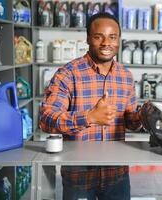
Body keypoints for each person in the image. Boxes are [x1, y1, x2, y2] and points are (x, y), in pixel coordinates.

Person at [39, 12, 142, 200]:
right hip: (79, 177)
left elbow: (129, 120)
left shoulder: (126, 76)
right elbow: (46, 119)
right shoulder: (68, 74)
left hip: (117, 176)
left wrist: (142, 116)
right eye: (98, 37)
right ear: (88, 38)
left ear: (119, 40)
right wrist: (89, 117)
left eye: (112, 37)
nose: (106, 43)